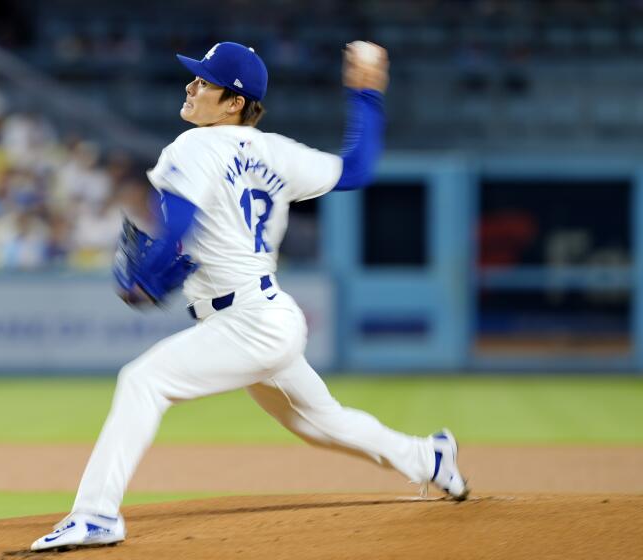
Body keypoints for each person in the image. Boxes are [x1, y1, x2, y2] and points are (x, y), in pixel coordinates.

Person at [31, 40, 469, 552]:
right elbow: (357, 169)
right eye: (193, 77)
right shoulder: (276, 151)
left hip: (248, 322)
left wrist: (148, 276)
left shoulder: (191, 146)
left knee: (142, 381)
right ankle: (427, 458)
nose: (191, 86)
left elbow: (178, 227)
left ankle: (96, 514)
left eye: (204, 80)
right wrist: (366, 94)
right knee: (321, 423)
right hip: (265, 315)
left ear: (234, 101)